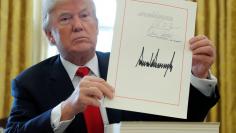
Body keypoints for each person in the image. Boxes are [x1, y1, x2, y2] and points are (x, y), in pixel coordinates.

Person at [5, 0, 219, 132]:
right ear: (50, 35)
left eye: (85, 16)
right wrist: (67, 108)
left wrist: (198, 75)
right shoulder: (29, 83)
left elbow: (178, 124)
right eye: (65, 19)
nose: (78, 25)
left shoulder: (130, 67)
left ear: (97, 26)